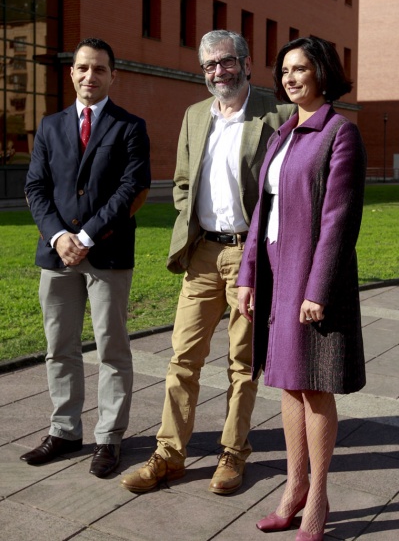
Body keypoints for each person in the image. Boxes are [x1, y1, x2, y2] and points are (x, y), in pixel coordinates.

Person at [120, 29, 295, 495]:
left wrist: (264, 250)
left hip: (250, 254)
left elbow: (287, 188)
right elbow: (182, 181)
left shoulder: (277, 114)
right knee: (182, 358)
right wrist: (188, 218)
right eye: (210, 66)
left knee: (243, 363)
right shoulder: (195, 116)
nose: (219, 72)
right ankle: (170, 454)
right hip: (203, 252)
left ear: (246, 61)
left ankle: (233, 454)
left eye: (226, 62)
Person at [237, 36, 366, 540]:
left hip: (310, 276)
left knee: (314, 386)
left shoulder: (339, 133)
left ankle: (317, 499)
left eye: (301, 69)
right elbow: (259, 216)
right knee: (286, 381)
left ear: (323, 74)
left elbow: (338, 221)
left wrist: (318, 289)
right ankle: (293, 488)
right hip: (274, 269)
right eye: (285, 70)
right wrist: (248, 275)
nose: (290, 78)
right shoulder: (281, 134)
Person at [21, 37, 151, 478]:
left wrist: (87, 235)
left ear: (113, 75)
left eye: (98, 69)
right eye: (82, 68)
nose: (89, 76)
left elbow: (131, 189)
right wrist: (60, 237)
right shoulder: (50, 125)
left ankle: (110, 437)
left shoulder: (130, 127)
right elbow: (35, 188)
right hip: (56, 257)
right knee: (59, 348)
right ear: (71, 72)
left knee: (111, 349)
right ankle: (65, 430)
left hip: (107, 255)